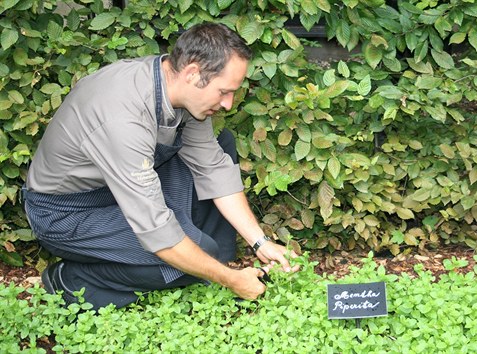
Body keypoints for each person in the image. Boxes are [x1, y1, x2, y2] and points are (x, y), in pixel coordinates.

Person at [22, 23, 298, 310]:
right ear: (193, 73)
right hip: (67, 212)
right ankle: (73, 279)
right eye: (224, 92)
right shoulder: (123, 117)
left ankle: (212, 258)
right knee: (188, 259)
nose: (228, 104)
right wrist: (228, 279)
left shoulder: (175, 87)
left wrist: (260, 242)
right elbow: (157, 233)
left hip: (122, 185)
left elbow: (212, 167)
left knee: (222, 143)